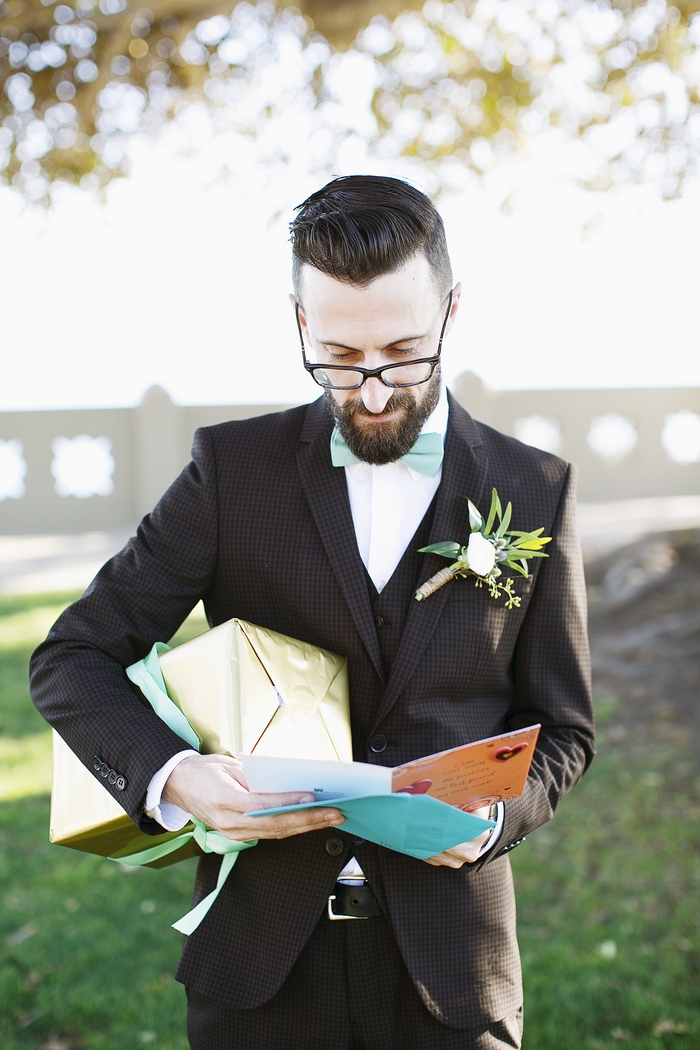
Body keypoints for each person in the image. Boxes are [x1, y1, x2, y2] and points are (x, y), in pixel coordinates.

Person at [30, 175, 594, 1050]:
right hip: (262, 967)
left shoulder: (534, 491)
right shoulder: (231, 472)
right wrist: (177, 778)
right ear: (299, 323)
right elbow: (73, 656)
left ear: (452, 310)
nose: (372, 392)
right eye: (338, 357)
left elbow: (564, 730)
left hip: (451, 970)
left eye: (403, 353)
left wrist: (489, 824)